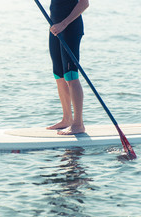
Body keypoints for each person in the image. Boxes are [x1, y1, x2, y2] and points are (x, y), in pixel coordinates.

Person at [46, 0, 89, 135]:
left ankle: (78, 124)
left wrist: (64, 24)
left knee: (71, 75)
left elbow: (84, 3)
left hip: (70, 28)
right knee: (59, 75)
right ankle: (67, 119)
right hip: (55, 28)